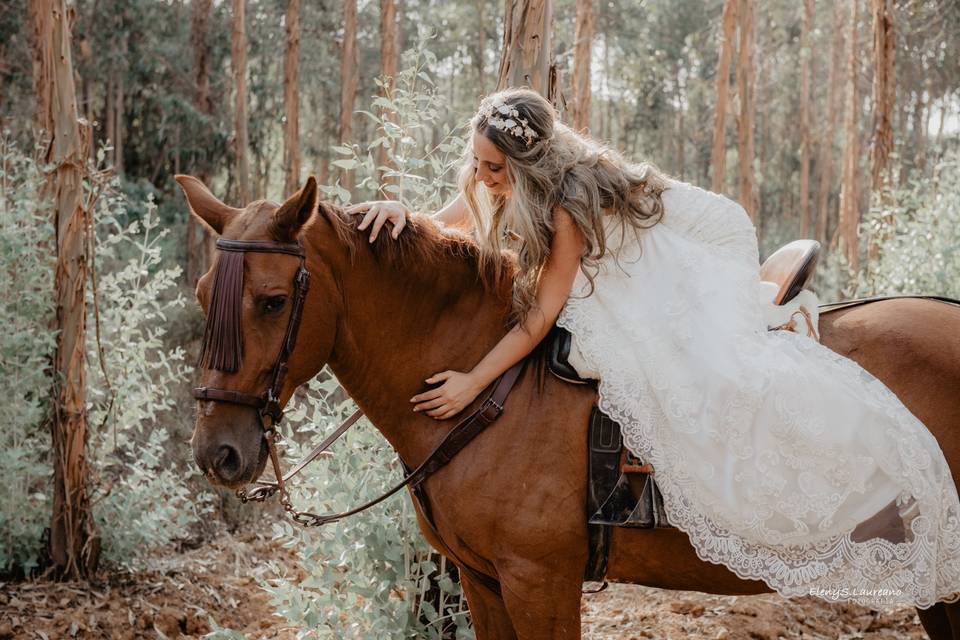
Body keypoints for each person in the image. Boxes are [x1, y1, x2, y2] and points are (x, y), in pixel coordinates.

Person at [345, 87, 960, 609]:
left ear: (529, 167)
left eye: (496, 167)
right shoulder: (500, 171)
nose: (483, 174)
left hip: (689, 242)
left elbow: (536, 322)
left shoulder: (566, 207)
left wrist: (474, 380)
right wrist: (410, 212)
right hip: (617, 257)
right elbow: (473, 199)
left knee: (672, 363)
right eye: (477, 160)